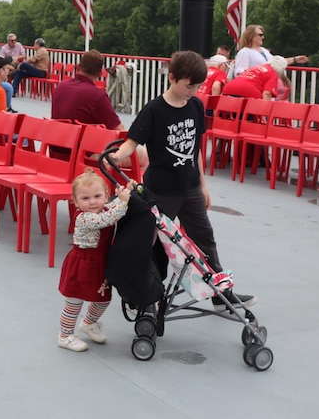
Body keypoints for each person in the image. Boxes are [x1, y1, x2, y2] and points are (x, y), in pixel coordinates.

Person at [107, 50, 256, 311]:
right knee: (154, 244)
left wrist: (203, 185)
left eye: (198, 86)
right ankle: (147, 296)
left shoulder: (196, 106)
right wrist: (116, 157)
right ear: (172, 78)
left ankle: (220, 295)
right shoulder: (154, 110)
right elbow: (131, 143)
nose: (194, 91)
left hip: (190, 189)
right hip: (161, 191)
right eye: (190, 85)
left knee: (204, 239)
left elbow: (195, 149)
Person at [58, 170, 132, 351]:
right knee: (74, 302)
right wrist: (123, 202)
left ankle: (89, 323)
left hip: (99, 263)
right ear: (75, 202)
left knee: (102, 299)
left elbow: (111, 210)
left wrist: (126, 192)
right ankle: (65, 335)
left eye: (97, 196)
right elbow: (107, 219)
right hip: (82, 264)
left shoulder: (104, 208)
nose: (92, 202)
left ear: (106, 196)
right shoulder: (85, 217)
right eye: (85, 198)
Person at [233, 25, 308, 77]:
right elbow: (240, 73)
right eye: (260, 35)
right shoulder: (244, 52)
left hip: (267, 86)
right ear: (251, 36)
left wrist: (295, 59)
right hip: (254, 87)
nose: (263, 37)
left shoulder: (264, 50)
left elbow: (277, 62)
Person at [222, 56, 289, 101]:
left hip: (228, 89)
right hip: (248, 94)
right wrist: (265, 113)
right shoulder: (272, 73)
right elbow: (267, 94)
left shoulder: (255, 67)